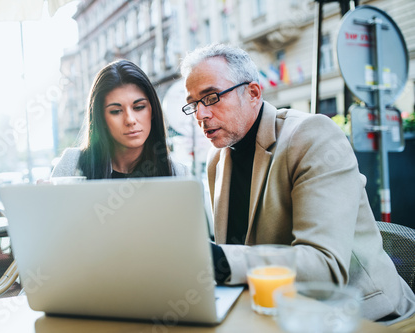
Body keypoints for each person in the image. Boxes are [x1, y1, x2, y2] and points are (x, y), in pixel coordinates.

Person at [180, 43, 415, 325]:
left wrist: (217, 260)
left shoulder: (312, 136)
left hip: (363, 318)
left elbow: (324, 266)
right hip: (272, 313)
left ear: (253, 93)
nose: (200, 115)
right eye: (193, 104)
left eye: (212, 97)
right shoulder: (217, 157)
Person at [51, 59, 187, 179]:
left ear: (152, 111)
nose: (130, 120)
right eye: (116, 111)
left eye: (139, 107)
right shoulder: (72, 165)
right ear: (101, 118)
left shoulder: (176, 173)